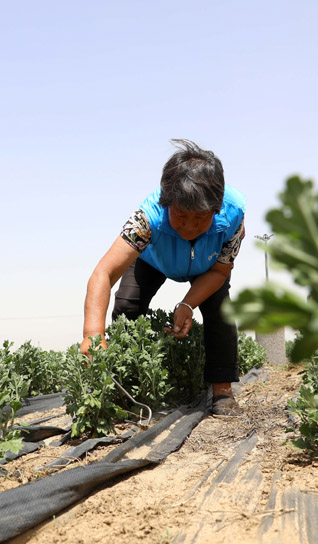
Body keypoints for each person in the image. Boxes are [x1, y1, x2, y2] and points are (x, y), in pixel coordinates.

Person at [81, 139, 246, 416]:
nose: (189, 227)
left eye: (200, 218)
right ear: (167, 202)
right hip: (153, 260)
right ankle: (130, 383)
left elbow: (220, 270)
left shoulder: (234, 214)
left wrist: (187, 304)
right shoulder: (147, 219)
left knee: (220, 312)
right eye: (181, 216)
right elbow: (103, 273)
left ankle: (222, 390)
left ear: (216, 209)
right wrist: (92, 335)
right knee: (127, 307)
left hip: (207, 267)